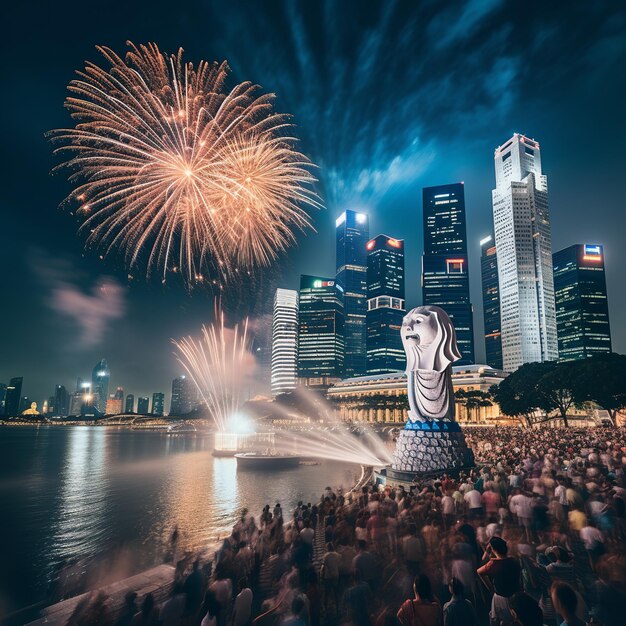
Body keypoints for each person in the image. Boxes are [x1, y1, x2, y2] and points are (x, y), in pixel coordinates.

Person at [476, 536, 521, 625]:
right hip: (516, 595)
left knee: (502, 620)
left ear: (493, 549)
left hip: (501, 597)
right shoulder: (514, 560)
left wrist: (491, 588)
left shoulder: (493, 563)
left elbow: (479, 571)